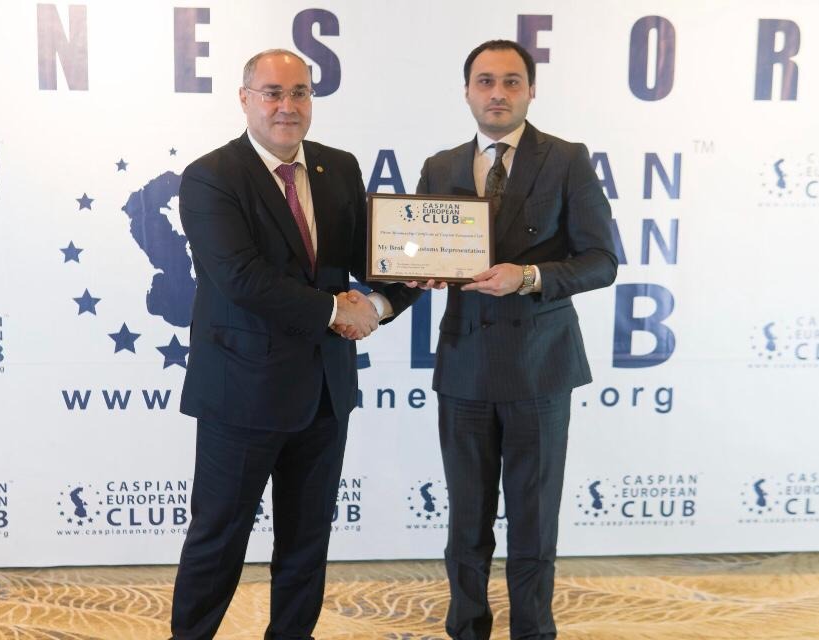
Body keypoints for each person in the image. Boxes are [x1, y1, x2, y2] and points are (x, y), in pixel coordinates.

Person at [171, 48, 418, 639]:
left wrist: (404, 283)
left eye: (300, 92)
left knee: (307, 543)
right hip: (241, 394)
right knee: (218, 540)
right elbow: (241, 277)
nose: (287, 106)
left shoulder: (339, 168)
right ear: (245, 99)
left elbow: (374, 258)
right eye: (273, 93)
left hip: (324, 393)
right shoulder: (211, 176)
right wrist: (335, 310)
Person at [411, 40, 618, 640]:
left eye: (511, 81)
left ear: (531, 90)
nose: (497, 93)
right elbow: (417, 253)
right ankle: (466, 628)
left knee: (533, 519)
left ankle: (533, 630)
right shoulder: (439, 166)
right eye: (485, 81)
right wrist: (415, 272)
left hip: (540, 366)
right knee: (466, 520)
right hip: (465, 365)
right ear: (466, 91)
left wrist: (528, 277)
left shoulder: (567, 159)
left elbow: (602, 261)